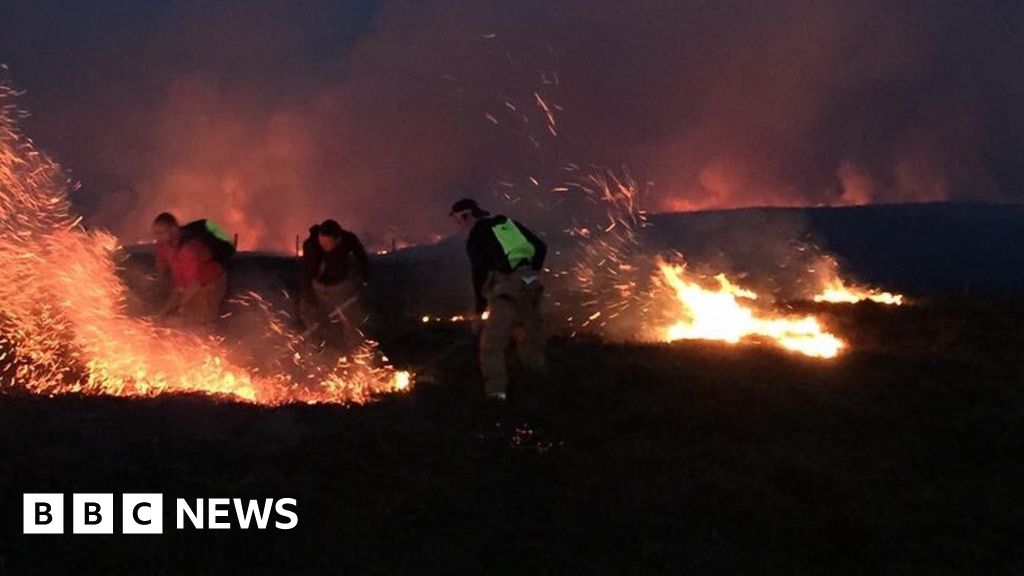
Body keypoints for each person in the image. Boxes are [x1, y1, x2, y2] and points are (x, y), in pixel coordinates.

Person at [451, 198, 547, 401]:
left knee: (491, 345)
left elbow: (479, 274)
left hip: (508, 288)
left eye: (459, 220)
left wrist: (479, 310)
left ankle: (497, 397)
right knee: (530, 338)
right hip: (532, 284)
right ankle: (539, 390)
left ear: (467, 216)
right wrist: (530, 272)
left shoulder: (477, 235)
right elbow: (540, 247)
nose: (459, 225)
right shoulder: (506, 224)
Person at [297, 219, 370, 347]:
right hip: (318, 287)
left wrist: (364, 279)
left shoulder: (349, 240)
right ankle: (317, 347)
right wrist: (309, 295)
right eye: (321, 242)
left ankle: (353, 347)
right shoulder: (311, 245)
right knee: (313, 319)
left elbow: (362, 259)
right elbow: (307, 272)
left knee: (350, 320)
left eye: (327, 243)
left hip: (341, 287)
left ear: (338, 239)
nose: (323, 246)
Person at [151, 212, 230, 328]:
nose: (157, 237)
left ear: (174, 229)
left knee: (198, 320)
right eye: (155, 233)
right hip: (186, 283)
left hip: (210, 282)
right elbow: (162, 262)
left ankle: (206, 331)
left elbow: (194, 284)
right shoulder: (164, 244)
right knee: (168, 316)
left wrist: (181, 306)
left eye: (160, 233)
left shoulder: (189, 250)